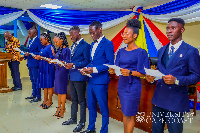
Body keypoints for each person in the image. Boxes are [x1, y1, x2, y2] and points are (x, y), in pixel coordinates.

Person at [146, 18, 200, 133]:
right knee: (156, 130)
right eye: (168, 28)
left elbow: (196, 76)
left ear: (182, 30)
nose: (169, 31)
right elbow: (160, 72)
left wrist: (176, 80)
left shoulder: (191, 51)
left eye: (173, 28)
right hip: (158, 99)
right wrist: (152, 78)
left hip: (175, 101)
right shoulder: (161, 50)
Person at [109, 19, 150, 133]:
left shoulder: (141, 52)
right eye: (123, 33)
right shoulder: (121, 52)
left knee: (130, 115)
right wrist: (112, 70)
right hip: (122, 85)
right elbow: (117, 68)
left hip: (133, 87)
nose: (123, 36)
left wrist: (130, 72)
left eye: (127, 33)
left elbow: (143, 73)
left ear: (135, 35)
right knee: (124, 112)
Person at [80, 21, 114, 133]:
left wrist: (94, 69)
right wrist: (85, 69)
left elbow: (110, 63)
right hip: (90, 80)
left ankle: (104, 130)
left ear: (100, 29)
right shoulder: (93, 44)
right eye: (90, 33)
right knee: (91, 106)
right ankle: (91, 128)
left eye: (93, 32)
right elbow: (92, 62)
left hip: (101, 81)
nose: (91, 35)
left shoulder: (108, 44)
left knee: (103, 108)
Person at [62, 26, 90, 132]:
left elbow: (87, 61)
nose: (71, 36)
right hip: (71, 75)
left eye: (72, 34)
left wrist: (73, 64)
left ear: (78, 33)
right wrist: (67, 62)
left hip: (80, 76)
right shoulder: (73, 45)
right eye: (70, 34)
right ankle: (73, 119)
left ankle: (82, 122)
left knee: (81, 101)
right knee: (73, 99)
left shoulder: (85, 46)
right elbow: (73, 59)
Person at [52, 32, 70, 119]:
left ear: (62, 40)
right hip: (57, 71)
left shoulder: (67, 50)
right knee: (58, 91)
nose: (55, 44)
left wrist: (63, 62)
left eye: (56, 42)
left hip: (63, 72)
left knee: (62, 91)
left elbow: (68, 61)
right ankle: (58, 107)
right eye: (54, 42)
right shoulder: (59, 49)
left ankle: (63, 109)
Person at [34, 32, 55, 109]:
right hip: (42, 68)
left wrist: (41, 58)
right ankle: (45, 99)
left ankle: (50, 100)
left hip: (49, 68)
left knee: (49, 85)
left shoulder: (50, 47)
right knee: (44, 85)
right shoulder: (43, 47)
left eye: (42, 40)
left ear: (46, 39)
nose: (41, 41)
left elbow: (52, 59)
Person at [24, 28, 43, 102]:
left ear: (35, 33)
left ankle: (38, 96)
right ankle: (33, 94)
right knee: (32, 80)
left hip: (35, 64)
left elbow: (40, 52)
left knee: (36, 80)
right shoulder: (31, 41)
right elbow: (29, 50)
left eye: (30, 33)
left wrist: (31, 54)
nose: (28, 35)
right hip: (30, 63)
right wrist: (25, 55)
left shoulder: (38, 41)